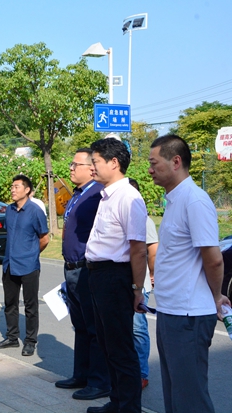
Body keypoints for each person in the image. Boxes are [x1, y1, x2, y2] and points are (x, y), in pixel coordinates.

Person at [148, 134, 231, 413]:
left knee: (190, 398)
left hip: (189, 315)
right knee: (175, 394)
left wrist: (217, 296)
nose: (150, 169)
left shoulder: (195, 200)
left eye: (154, 163)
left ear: (176, 161)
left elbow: (214, 260)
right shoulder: (174, 200)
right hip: (170, 311)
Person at [85, 137, 147, 413]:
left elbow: (138, 248)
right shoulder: (108, 195)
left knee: (121, 347)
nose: (92, 167)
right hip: (99, 276)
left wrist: (137, 288)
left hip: (115, 277)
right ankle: (117, 401)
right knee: (108, 344)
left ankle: (129, 408)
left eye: (95, 161)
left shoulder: (128, 197)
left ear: (114, 162)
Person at [55, 149, 110, 402]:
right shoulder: (77, 194)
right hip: (71, 268)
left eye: (75, 164)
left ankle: (99, 382)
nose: (71, 168)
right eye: (71, 163)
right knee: (80, 326)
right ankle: (81, 374)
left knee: (94, 327)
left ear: (91, 168)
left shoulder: (97, 194)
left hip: (87, 268)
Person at [0, 174, 49, 357]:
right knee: (10, 303)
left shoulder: (35, 211)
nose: (13, 189)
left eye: (17, 186)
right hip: (9, 263)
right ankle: (11, 337)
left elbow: (44, 238)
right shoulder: (9, 210)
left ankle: (30, 341)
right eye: (12, 186)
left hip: (28, 265)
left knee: (30, 305)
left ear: (27, 190)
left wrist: (32, 253)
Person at [128, 178, 157, 391]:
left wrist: (152, 274)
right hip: (119, 282)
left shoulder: (145, 220)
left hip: (140, 283)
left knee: (137, 328)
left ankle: (141, 373)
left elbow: (152, 250)